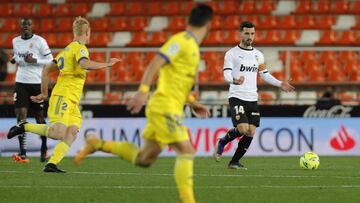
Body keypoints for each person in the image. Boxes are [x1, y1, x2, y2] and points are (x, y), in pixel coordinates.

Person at [74, 4, 213, 203]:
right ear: (209, 24)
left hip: (169, 105)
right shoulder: (182, 41)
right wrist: (142, 92)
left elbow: (176, 82)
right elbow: (155, 63)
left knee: (144, 159)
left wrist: (192, 102)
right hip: (164, 107)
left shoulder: (192, 47)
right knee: (186, 150)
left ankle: (98, 143)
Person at [7, 16, 120, 172]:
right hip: (63, 96)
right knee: (59, 133)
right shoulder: (79, 48)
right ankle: (25, 126)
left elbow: (47, 70)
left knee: (72, 133)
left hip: (72, 101)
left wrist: (44, 92)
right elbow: (84, 63)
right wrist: (107, 64)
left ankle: (51, 164)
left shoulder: (66, 50)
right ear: (87, 32)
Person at [213, 21, 295, 169]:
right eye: (247, 33)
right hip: (237, 95)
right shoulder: (231, 54)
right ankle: (223, 141)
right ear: (240, 34)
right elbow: (226, 74)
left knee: (251, 132)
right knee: (243, 128)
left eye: (252, 33)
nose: (250, 36)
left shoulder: (258, 55)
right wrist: (234, 80)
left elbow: (264, 74)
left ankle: (234, 162)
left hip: (252, 98)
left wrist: (280, 83)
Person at [10, 19, 53, 163]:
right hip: (21, 83)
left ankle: (43, 150)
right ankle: (23, 153)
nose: (26, 27)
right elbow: (18, 56)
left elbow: (51, 60)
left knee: (40, 119)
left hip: (37, 84)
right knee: (20, 118)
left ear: (32, 26)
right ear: (20, 26)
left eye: (28, 24)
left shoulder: (40, 41)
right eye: (23, 24)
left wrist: (35, 61)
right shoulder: (15, 41)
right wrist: (14, 58)